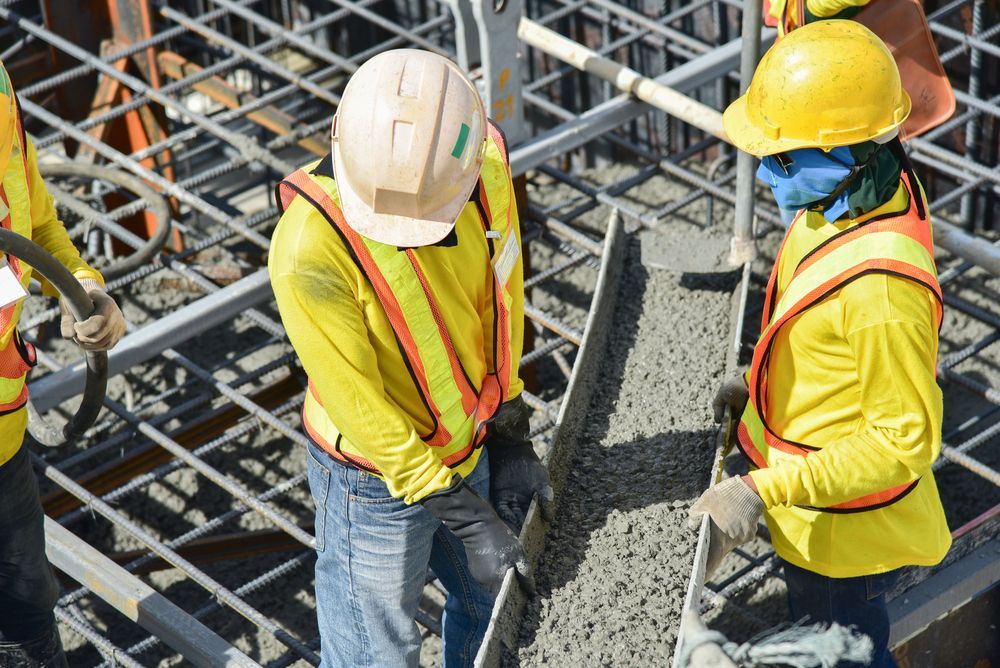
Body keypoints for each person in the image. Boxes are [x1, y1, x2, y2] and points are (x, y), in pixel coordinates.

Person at [269, 49, 552, 667]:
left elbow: (500, 300)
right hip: (371, 479)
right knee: (377, 653)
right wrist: (465, 516)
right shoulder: (307, 249)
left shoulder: (480, 168)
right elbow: (362, 404)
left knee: (491, 609)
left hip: (467, 440)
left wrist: (508, 428)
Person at [690, 21, 951, 667]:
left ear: (851, 150)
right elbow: (820, 329)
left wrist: (761, 492)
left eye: (783, 157)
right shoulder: (852, 197)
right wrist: (759, 388)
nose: (766, 171)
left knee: (846, 645)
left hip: (846, 538)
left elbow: (904, 442)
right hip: (812, 508)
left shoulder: (884, 293)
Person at [0, 60, 126, 666]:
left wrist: (85, 289)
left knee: (26, 612)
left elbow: (37, 225)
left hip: (2, 435)